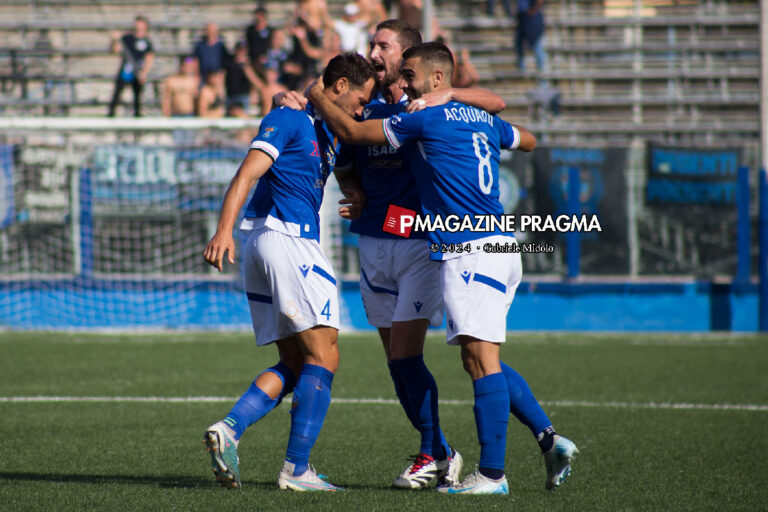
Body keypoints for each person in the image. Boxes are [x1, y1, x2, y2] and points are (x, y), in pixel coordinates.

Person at [307, 41, 578, 495]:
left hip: (465, 246)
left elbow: (353, 136)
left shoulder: (424, 115)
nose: (402, 80)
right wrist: (461, 102)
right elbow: (527, 139)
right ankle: (546, 440)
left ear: (433, 78)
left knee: (475, 359)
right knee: (478, 355)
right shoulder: (471, 116)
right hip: (493, 241)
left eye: (407, 72)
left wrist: (316, 95)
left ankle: (488, 473)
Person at [276, 18, 507, 490]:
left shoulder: (423, 105)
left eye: (383, 45)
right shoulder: (360, 102)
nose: (374, 51)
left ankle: (441, 452)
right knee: (397, 361)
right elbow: (342, 156)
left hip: (421, 241)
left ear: (406, 56)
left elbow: (493, 103)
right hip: (373, 240)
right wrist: (354, 189)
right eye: (373, 44)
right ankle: (440, 451)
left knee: (417, 355)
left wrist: (447, 95)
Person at [202, 52, 376, 492]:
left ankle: (229, 428)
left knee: (295, 362)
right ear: (338, 88)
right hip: (287, 240)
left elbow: (343, 165)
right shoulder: (292, 117)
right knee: (326, 354)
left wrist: (354, 189)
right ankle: (297, 469)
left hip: (267, 245)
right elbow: (247, 173)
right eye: (358, 99)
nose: (359, 110)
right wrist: (222, 230)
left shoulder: (325, 129)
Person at [108, 16, 154, 117]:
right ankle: (110, 115)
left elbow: (149, 58)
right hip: (126, 71)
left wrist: (144, 72)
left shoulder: (147, 42)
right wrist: (115, 40)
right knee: (117, 94)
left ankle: (137, 118)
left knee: (137, 97)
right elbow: (115, 50)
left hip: (138, 72)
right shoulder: (127, 38)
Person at [224, 42, 264, 114]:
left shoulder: (249, 66)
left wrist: (246, 67)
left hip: (243, 97)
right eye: (239, 51)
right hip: (230, 97)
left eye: (243, 52)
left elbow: (258, 85)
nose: (240, 54)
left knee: (237, 111)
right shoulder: (229, 64)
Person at [193, 22, 230, 93]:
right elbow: (193, 60)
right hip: (203, 76)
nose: (211, 33)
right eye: (209, 30)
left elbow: (225, 62)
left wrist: (221, 76)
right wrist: (196, 75)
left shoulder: (221, 46)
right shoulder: (200, 45)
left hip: (217, 77)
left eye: (213, 31)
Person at [516, 0, 546, 72]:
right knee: (519, 44)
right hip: (524, 20)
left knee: (538, 48)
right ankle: (522, 68)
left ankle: (542, 73)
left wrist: (534, 9)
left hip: (533, 21)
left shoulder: (533, 13)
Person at [245, 5, 273, 78]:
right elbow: (248, 45)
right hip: (254, 59)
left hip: (266, 59)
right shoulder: (250, 30)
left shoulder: (270, 30)